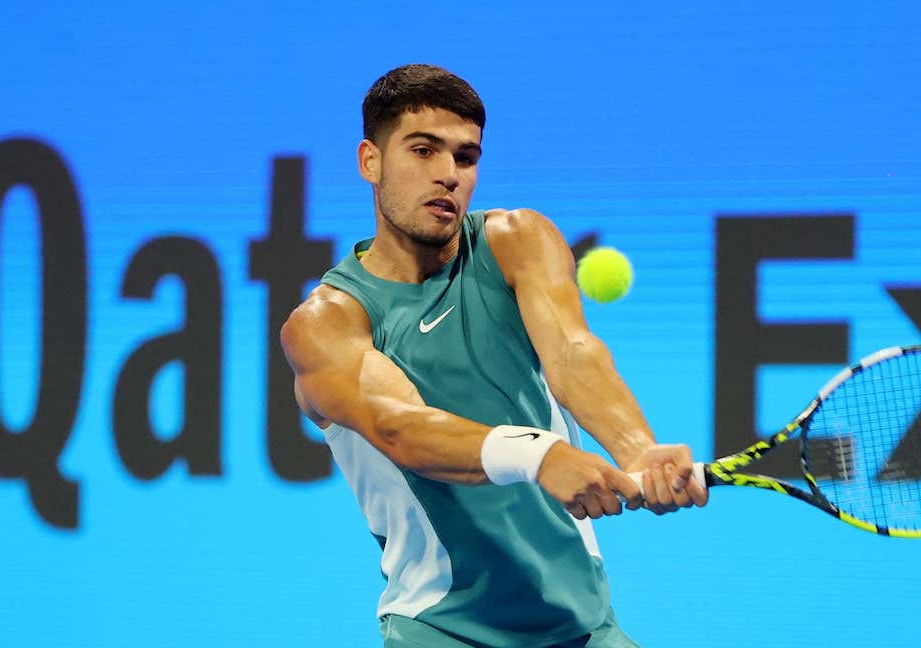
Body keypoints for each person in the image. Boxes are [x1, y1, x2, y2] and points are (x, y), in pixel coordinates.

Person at [280, 64, 708, 647]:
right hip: (442, 629)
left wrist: (640, 451)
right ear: (370, 162)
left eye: (465, 157)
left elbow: (573, 353)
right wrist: (537, 454)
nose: (448, 175)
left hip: (583, 626)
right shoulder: (327, 323)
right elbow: (400, 428)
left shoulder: (517, 240)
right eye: (423, 150)